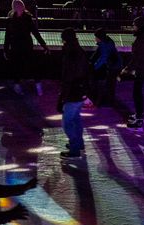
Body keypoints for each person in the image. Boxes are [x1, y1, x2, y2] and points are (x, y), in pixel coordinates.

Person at [3, 0, 50, 96]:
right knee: (17, 67)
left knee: (32, 66)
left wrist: (44, 45)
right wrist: (6, 49)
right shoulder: (10, 20)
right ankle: (18, 86)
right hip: (16, 47)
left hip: (26, 46)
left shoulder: (27, 18)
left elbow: (35, 33)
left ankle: (37, 85)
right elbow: (7, 36)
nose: (20, 7)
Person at [58, 28, 90, 159]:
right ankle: (79, 143)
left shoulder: (70, 53)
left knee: (67, 123)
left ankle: (75, 148)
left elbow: (68, 76)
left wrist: (63, 95)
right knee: (76, 118)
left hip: (73, 92)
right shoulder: (78, 50)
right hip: (80, 90)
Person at [120, 16, 144, 128]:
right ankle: (139, 114)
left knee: (137, 93)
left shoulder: (142, 39)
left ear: (139, 27)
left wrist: (127, 69)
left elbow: (137, 57)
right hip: (142, 67)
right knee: (137, 92)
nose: (133, 27)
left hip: (141, 68)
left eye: (134, 25)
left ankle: (139, 118)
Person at [90, 28, 122, 107]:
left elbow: (103, 58)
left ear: (99, 38)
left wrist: (94, 67)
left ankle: (108, 101)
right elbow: (97, 54)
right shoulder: (106, 42)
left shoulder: (104, 45)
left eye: (96, 37)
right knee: (110, 83)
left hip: (114, 66)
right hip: (116, 64)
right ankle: (110, 99)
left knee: (109, 83)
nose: (95, 39)